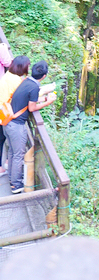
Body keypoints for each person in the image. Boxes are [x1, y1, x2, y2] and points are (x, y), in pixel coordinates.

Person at [4, 61, 56, 194]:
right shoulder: (34, 87)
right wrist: (48, 102)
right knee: (18, 155)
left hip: (8, 121)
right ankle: (15, 185)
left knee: (12, 152)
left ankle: (11, 177)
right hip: (16, 126)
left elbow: (28, 100)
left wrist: (42, 100)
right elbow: (32, 107)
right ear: (44, 76)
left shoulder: (26, 81)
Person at [0, 56, 30, 176]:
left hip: (2, 109)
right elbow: (22, 96)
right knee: (2, 139)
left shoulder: (8, 75)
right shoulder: (16, 81)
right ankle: (3, 168)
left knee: (3, 138)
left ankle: (5, 164)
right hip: (3, 112)